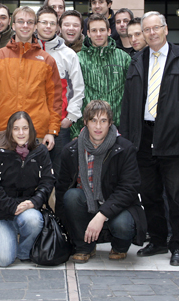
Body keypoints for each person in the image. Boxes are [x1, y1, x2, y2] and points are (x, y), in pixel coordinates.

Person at [120, 11, 179, 266]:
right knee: (150, 193)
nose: (151, 33)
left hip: (174, 137)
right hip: (143, 137)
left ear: (166, 29)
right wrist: (128, 136)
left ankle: (178, 245)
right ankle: (157, 240)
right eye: (147, 30)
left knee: (176, 195)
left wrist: (177, 121)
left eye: (156, 28)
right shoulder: (137, 60)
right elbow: (128, 102)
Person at [56, 100, 146, 263]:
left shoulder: (125, 149)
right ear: (85, 122)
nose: (98, 126)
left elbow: (129, 189)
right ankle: (85, 247)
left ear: (110, 123)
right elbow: (62, 188)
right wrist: (65, 226)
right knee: (71, 196)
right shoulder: (71, 150)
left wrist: (102, 214)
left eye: (103, 121)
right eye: (93, 120)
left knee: (123, 225)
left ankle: (119, 246)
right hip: (86, 206)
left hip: (116, 208)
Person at [0, 6, 63, 153]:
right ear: (13, 25)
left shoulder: (47, 60)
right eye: (21, 21)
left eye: (30, 22)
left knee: (35, 176)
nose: (25, 26)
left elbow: (55, 100)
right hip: (2, 133)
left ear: (35, 26)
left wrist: (52, 131)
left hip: (37, 133)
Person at [0, 111, 55, 267]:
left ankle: (24, 251)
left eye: (25, 128)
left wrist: (34, 202)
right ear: (10, 130)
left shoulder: (40, 152)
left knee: (34, 220)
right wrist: (12, 206)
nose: (21, 133)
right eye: (16, 129)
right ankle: (7, 238)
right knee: (4, 260)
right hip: (0, 213)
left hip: (27, 209)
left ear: (31, 130)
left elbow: (48, 181)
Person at [36, 6, 84, 176]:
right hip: (31, 125)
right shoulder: (27, 51)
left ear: (57, 27)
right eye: (44, 22)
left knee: (59, 175)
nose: (48, 26)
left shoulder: (68, 54)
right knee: (33, 176)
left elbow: (77, 88)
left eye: (52, 23)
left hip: (59, 126)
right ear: (36, 25)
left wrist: (70, 117)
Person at [71, 14, 130, 138]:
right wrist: (76, 132)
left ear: (109, 31)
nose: (98, 34)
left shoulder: (123, 58)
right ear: (88, 33)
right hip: (87, 128)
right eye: (94, 30)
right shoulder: (79, 59)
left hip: (117, 128)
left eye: (102, 30)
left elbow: (130, 94)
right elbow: (73, 95)